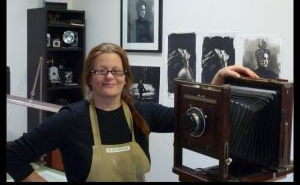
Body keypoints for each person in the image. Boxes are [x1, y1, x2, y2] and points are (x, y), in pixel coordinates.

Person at [6, 43, 259, 182]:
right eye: (100, 71)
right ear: (88, 78)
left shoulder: (142, 113)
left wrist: (216, 82)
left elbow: (192, 120)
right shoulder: (71, 118)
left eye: (117, 71)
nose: (109, 76)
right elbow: (12, 156)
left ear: (126, 77)